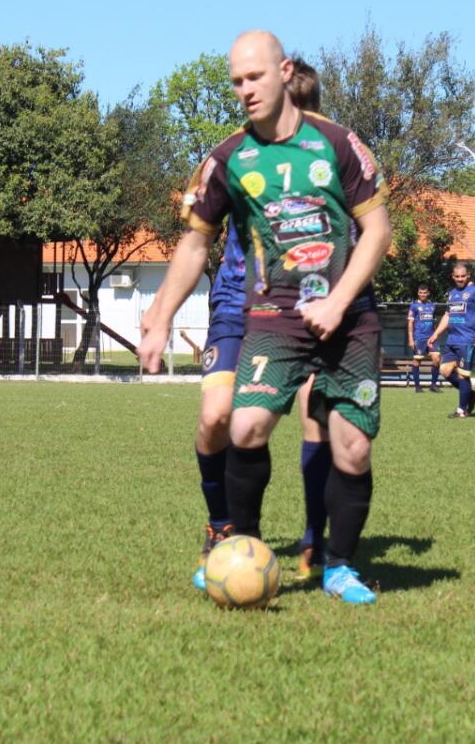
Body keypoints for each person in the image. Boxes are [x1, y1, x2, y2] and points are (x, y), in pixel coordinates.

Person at [139, 30, 391, 604]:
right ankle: (242, 548)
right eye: (237, 81)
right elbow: (195, 243)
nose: (246, 90)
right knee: (244, 425)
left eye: (254, 77)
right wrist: (160, 313)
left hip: (349, 316)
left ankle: (338, 566)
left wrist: (338, 301)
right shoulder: (228, 158)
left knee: (352, 446)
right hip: (273, 315)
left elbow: (378, 231)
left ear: (284, 72)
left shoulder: (338, 144)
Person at [166, 56, 332, 591]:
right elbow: (196, 227)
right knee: (217, 416)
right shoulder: (233, 155)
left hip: (305, 306)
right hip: (237, 300)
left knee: (317, 412)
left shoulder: (327, 158)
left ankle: (315, 536)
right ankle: (222, 525)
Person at [427, 263, 475, 418]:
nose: (460, 279)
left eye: (463, 276)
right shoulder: (452, 293)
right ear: (452, 277)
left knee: (462, 376)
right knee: (445, 370)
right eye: (457, 276)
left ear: (468, 275)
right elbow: (448, 315)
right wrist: (436, 334)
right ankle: (471, 395)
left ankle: (462, 410)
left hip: (467, 340)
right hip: (452, 340)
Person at [407, 285, 441, 393]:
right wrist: (411, 339)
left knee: (437, 359)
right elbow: (410, 323)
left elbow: (434, 322)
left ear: (428, 293)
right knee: (417, 361)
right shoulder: (414, 306)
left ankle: (433, 385)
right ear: (418, 293)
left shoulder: (432, 306)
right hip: (419, 337)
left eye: (424, 292)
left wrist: (436, 334)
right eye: (420, 292)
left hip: (431, 338)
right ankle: (417, 387)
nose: (422, 294)